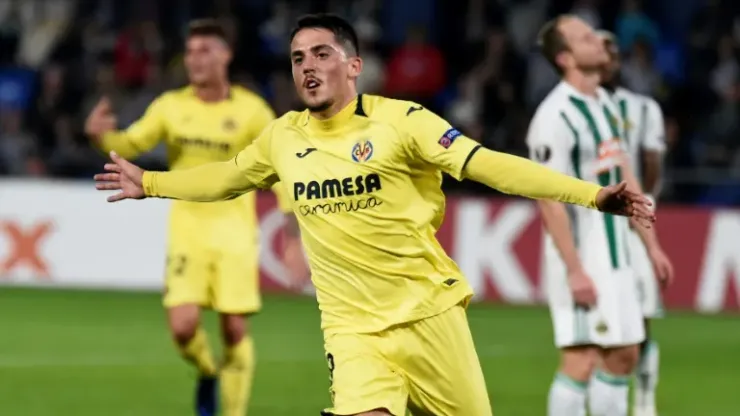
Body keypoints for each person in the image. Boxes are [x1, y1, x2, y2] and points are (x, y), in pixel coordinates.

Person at [94, 14, 657, 416]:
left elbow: (489, 165)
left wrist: (591, 195)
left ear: (354, 65)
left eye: (322, 54)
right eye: (297, 58)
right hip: (351, 328)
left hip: (427, 314)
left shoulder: (402, 121)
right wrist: (151, 182)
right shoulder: (283, 137)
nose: (307, 66)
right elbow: (225, 177)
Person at [84, 19, 290, 416]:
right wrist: (100, 137)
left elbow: (278, 159)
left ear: (226, 55)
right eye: (191, 52)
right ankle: (208, 370)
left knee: (234, 328)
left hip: (235, 231)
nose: (195, 59)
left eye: (205, 50)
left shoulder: (251, 110)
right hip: (188, 230)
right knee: (182, 328)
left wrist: (291, 216)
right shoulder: (171, 106)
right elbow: (131, 143)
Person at [529, 15, 673, 416]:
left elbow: (626, 174)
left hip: (618, 253)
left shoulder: (605, 104)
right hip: (582, 255)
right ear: (565, 58)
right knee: (581, 358)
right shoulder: (554, 117)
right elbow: (548, 199)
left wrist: (651, 246)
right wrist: (574, 270)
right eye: (585, 38)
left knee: (625, 353)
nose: (597, 41)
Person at [599, 30, 667, 416]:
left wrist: (643, 201)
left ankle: (643, 400)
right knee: (598, 325)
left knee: (641, 317)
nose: (606, 59)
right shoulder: (577, 106)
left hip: (632, 223)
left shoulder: (643, 108)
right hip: (593, 224)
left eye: (611, 51)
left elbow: (652, 159)